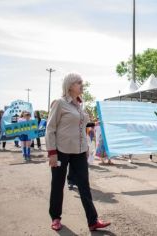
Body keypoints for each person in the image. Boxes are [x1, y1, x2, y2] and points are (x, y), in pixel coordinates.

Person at [46, 73, 110, 231]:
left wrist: (88, 142)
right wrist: (52, 153)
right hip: (61, 150)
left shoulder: (80, 105)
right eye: (78, 82)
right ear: (69, 86)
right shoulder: (59, 103)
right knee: (58, 184)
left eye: (82, 82)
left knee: (84, 185)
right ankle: (55, 217)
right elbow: (50, 128)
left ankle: (93, 221)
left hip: (80, 151)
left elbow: (81, 126)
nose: (82, 85)